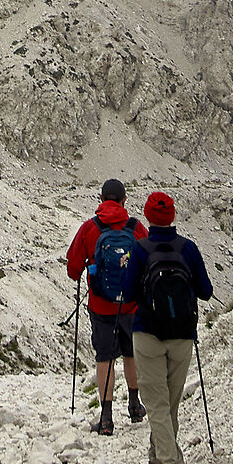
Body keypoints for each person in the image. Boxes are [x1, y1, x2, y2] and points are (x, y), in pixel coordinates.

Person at [129, 189, 213, 464]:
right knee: (169, 403)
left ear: (148, 216)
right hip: (182, 338)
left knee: (156, 403)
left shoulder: (140, 249)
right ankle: (156, 455)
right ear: (173, 215)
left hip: (148, 335)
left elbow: (127, 294)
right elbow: (205, 291)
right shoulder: (188, 248)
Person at [64, 178, 146, 434]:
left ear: (100, 200)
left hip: (100, 306)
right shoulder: (135, 227)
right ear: (124, 201)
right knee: (131, 353)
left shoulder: (90, 228)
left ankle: (107, 418)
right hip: (131, 305)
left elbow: (73, 268)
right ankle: (135, 406)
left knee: (105, 358)